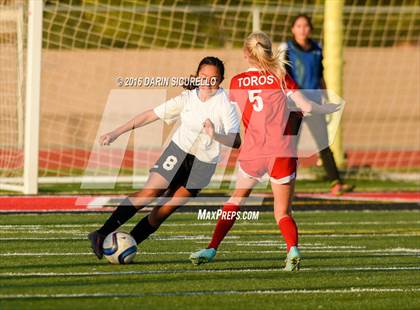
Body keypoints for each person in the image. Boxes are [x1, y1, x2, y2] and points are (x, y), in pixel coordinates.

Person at [189, 32, 341, 271]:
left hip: (253, 152)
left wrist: (213, 131)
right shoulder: (281, 76)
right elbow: (307, 107)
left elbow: (226, 107)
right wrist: (327, 108)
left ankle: (212, 247)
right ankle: (292, 249)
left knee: (236, 200)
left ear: (245, 54)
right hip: (281, 151)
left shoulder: (238, 81)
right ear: (268, 51)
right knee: (282, 211)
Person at [88, 56, 241, 259]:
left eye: (214, 78)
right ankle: (101, 234)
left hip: (203, 165)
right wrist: (116, 133)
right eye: (203, 76)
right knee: (150, 192)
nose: (208, 82)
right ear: (197, 76)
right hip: (178, 151)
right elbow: (150, 115)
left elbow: (236, 141)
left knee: (163, 210)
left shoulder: (226, 104)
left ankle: (125, 246)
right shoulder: (186, 98)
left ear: (220, 80)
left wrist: (215, 135)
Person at [281, 14, 354, 195]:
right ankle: (282, 184)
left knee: (323, 145)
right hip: (294, 104)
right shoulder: (286, 49)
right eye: (298, 26)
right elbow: (283, 77)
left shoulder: (317, 48)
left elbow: (319, 75)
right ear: (293, 29)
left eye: (305, 26)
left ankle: (336, 183)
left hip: (314, 102)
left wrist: (325, 97)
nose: (302, 29)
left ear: (310, 29)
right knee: (289, 146)